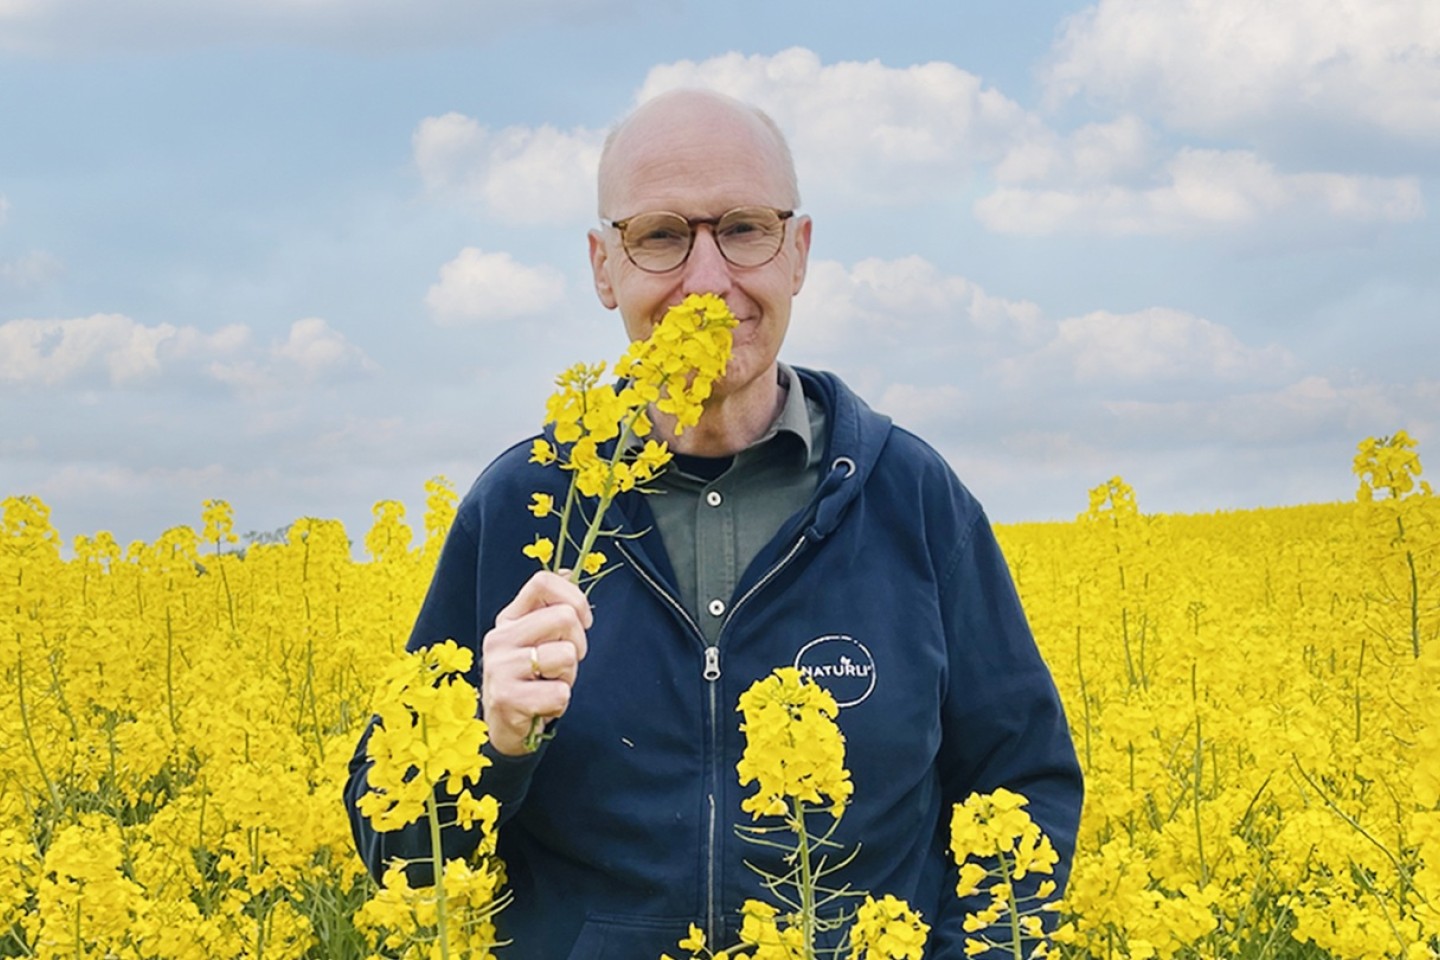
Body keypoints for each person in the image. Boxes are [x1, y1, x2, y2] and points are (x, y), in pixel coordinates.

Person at [345, 88, 1083, 959]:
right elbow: (396, 854)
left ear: (798, 252)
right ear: (602, 267)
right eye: (660, 235)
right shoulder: (524, 506)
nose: (706, 282)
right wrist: (491, 738)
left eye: (743, 228)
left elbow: (1023, 781)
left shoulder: (914, 496)